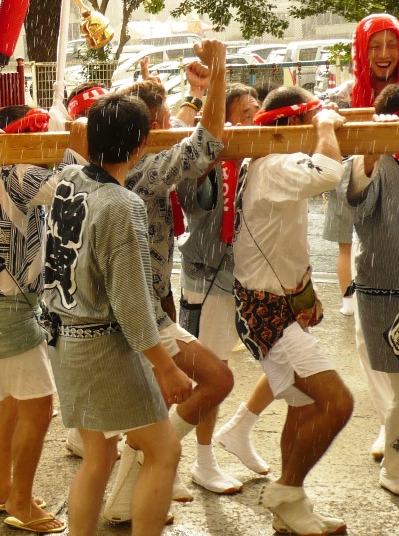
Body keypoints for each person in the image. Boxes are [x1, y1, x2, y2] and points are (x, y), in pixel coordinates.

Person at [45, 93, 194, 536]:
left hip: (63, 337)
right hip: (101, 347)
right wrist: (165, 367)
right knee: (164, 451)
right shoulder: (121, 205)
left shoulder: (66, 179)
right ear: (140, 145)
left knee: (99, 457)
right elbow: (132, 303)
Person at [104, 41, 234, 522]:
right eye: (164, 124)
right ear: (149, 132)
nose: (172, 128)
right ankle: (150, 461)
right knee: (215, 379)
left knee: (152, 406)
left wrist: (201, 90)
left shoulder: (100, 163)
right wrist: (219, 71)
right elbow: (208, 140)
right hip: (136, 308)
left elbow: (194, 135)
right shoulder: (144, 168)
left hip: (144, 298)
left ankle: (128, 492)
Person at [233, 86, 353, 534]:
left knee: (302, 406)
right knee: (338, 403)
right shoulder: (274, 164)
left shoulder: (264, 160)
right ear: (290, 124)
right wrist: (325, 126)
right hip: (268, 311)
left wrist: (320, 124)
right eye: (308, 122)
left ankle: (291, 506)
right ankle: (286, 491)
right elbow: (328, 172)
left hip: (271, 303)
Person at [0, 105, 85, 534]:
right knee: (37, 406)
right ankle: (20, 500)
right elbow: (80, 192)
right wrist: (77, 145)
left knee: (13, 405)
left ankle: (2, 488)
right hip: (6, 313)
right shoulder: (19, 172)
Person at [173, 84, 272, 493]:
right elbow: (192, 203)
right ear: (224, 121)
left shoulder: (260, 156)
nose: (255, 119)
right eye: (245, 114)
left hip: (250, 279)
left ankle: (239, 430)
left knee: (284, 362)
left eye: (257, 111)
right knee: (210, 375)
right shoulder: (207, 162)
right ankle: (193, 458)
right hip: (209, 279)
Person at [345, 83, 399, 497]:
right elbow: (356, 198)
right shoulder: (378, 160)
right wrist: (373, 145)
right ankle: (395, 469)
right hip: (387, 294)